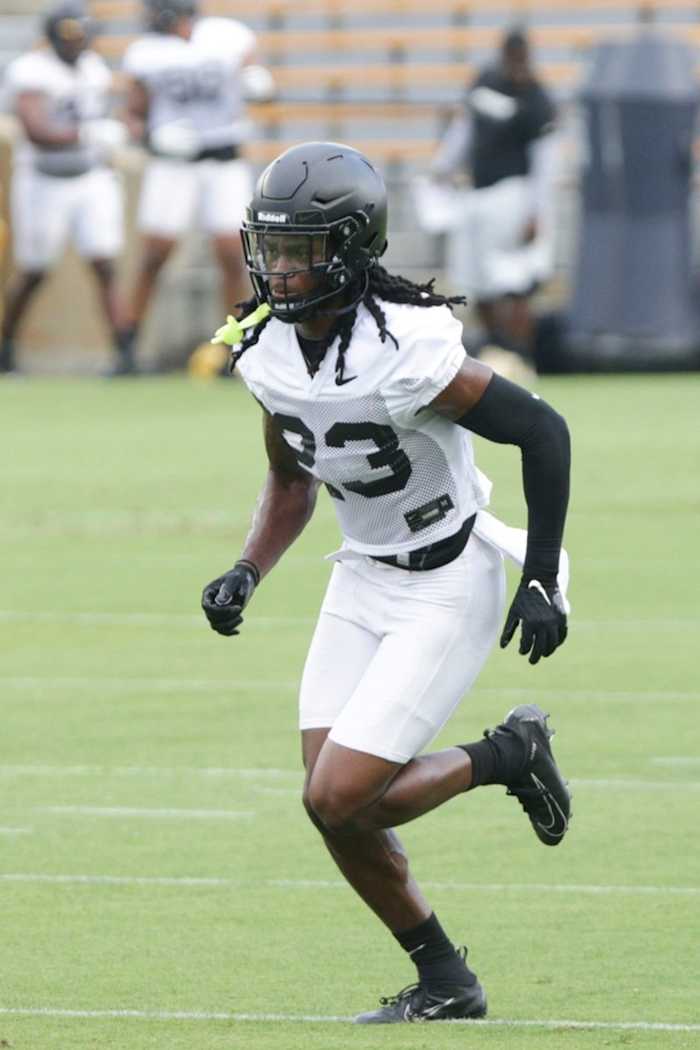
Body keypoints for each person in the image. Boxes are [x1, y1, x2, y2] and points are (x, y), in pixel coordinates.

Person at [201, 141, 571, 1024]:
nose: (280, 270)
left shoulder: (406, 347)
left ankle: (507, 755)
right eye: (271, 249)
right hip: (362, 576)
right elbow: (292, 477)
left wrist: (542, 578)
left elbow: (543, 431)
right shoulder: (264, 349)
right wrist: (248, 567)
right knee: (331, 806)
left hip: (447, 579)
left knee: (340, 794)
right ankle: (446, 981)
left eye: (301, 251)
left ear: (352, 250)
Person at [118, 0, 274, 373]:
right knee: (154, 255)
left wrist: (257, 81)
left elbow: (254, 73)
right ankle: (126, 346)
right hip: (173, 163)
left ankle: (236, 345)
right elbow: (132, 113)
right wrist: (152, 138)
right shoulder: (146, 52)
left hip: (223, 159)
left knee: (232, 254)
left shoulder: (226, 36)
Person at [0, 0, 128, 376]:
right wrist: (87, 134)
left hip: (90, 177)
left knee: (104, 263)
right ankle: (6, 346)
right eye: (68, 36)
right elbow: (36, 130)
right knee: (34, 269)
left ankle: (125, 351)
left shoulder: (94, 68)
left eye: (80, 35)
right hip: (43, 180)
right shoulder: (31, 70)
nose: (75, 42)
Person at [428, 26, 559, 368]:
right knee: (475, 283)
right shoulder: (485, 82)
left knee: (514, 282)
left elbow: (545, 163)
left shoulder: (537, 99)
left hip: (513, 194)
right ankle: (496, 348)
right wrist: (443, 166)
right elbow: (464, 130)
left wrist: (537, 212)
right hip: (475, 194)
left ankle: (521, 356)